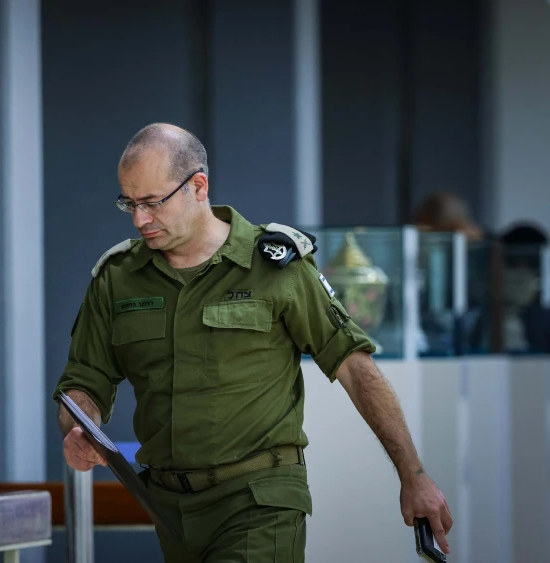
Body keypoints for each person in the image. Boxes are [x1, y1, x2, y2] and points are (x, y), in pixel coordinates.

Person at [53, 123, 453, 562]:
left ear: (198, 186)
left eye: (151, 203)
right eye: (129, 203)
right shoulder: (118, 277)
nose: (139, 219)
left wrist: (413, 474)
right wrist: (79, 427)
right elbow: (84, 380)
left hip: (259, 502)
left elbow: (355, 369)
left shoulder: (276, 266)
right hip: (168, 507)